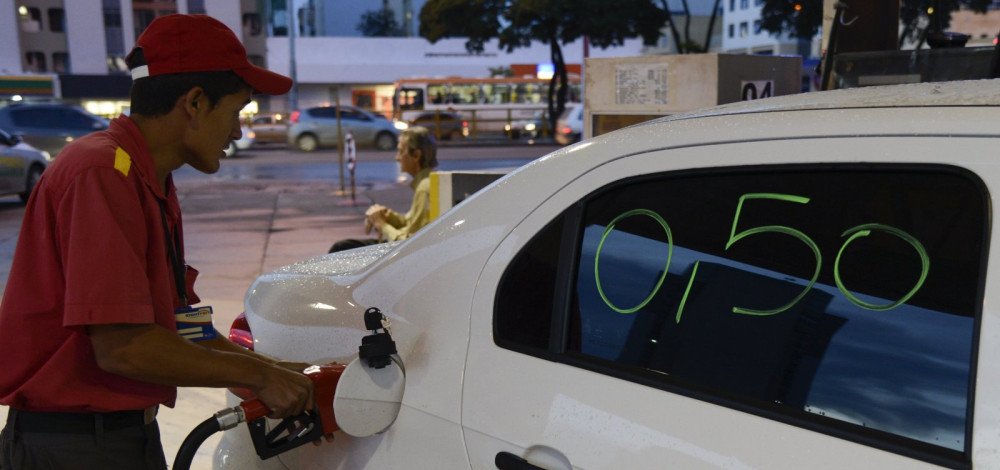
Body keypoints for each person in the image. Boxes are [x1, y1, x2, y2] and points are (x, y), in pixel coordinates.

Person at [0, 14, 313, 470]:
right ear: (195, 102)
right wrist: (258, 374)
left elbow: (181, 325)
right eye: (237, 111)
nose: (238, 132)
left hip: (123, 437)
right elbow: (122, 347)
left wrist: (280, 372)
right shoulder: (102, 173)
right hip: (73, 448)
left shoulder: (149, 181)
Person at [329, 126, 438, 253]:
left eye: (400, 151)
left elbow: (410, 243)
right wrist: (388, 216)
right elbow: (411, 222)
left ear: (416, 155)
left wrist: (381, 225)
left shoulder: (425, 188)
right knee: (345, 246)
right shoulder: (426, 182)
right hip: (401, 244)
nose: (397, 158)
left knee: (341, 248)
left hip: (401, 251)